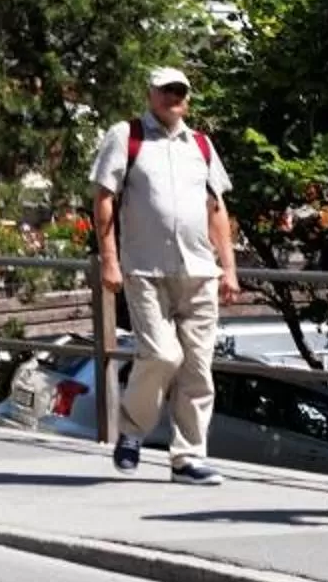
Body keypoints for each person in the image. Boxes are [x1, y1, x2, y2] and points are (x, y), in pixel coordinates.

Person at [90, 67, 240, 486]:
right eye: (166, 90)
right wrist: (109, 259)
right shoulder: (127, 136)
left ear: (187, 99)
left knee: (198, 367)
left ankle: (188, 457)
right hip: (145, 269)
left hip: (199, 270)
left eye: (180, 92)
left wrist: (228, 268)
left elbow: (216, 209)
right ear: (151, 93)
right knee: (161, 355)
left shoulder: (201, 145)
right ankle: (133, 432)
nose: (174, 98)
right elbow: (104, 196)